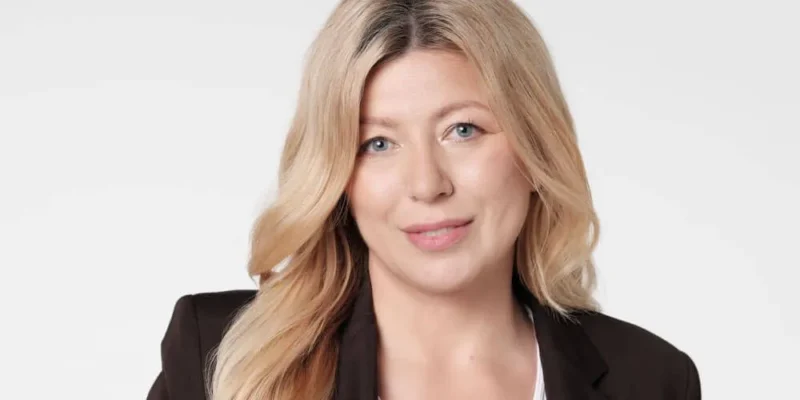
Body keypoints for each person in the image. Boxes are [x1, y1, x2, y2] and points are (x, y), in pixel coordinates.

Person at [147, 0, 701, 399]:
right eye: (377, 143)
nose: (427, 184)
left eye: (462, 130)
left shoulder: (651, 380)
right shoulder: (219, 358)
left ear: (535, 148)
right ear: (338, 176)